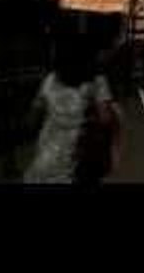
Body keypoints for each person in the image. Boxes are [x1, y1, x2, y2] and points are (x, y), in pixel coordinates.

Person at [24, 32, 122, 185]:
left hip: (46, 153)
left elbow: (32, 118)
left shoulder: (50, 79)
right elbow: (105, 119)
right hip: (76, 157)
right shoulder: (96, 82)